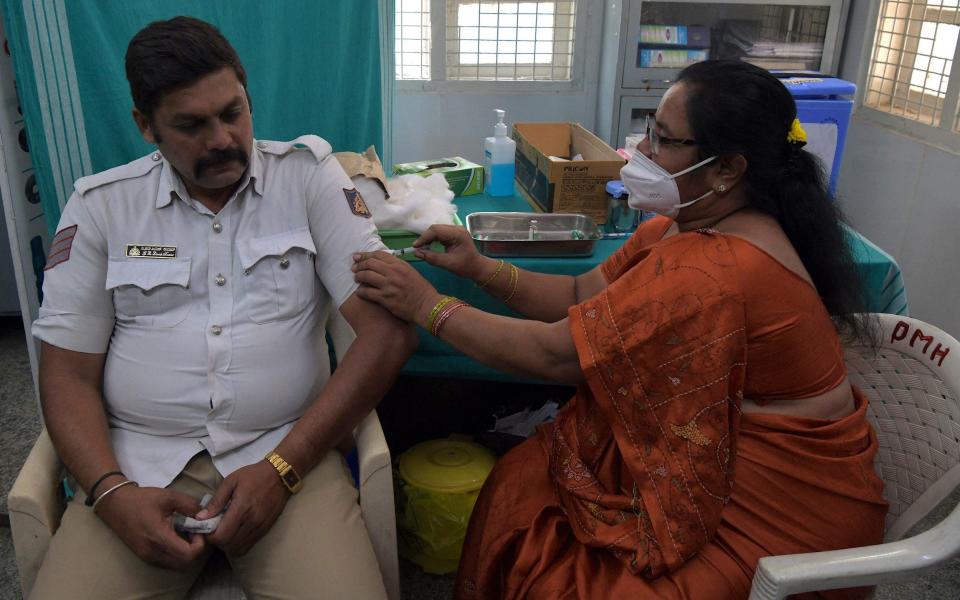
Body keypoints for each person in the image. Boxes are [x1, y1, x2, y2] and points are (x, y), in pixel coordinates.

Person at [353, 60, 887, 599]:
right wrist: (479, 268)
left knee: (560, 574)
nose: (641, 154)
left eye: (664, 140)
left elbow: (557, 357)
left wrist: (426, 305)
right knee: (525, 479)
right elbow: (582, 295)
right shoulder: (676, 226)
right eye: (648, 131)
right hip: (714, 459)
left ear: (726, 169)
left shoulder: (715, 268)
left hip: (774, 507)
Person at [30, 16, 415, 599]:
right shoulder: (101, 207)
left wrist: (284, 469)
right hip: (137, 465)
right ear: (145, 126)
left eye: (232, 113)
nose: (220, 140)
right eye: (190, 125)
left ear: (248, 98)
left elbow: (387, 335)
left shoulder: (307, 178)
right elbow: (65, 373)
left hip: (287, 455)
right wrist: (111, 494)